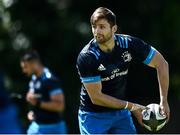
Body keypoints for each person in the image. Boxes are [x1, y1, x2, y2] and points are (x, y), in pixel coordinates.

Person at [76, 7, 170, 134]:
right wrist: (131, 107)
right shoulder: (88, 57)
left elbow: (161, 64)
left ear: (114, 28)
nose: (96, 31)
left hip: (120, 113)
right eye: (94, 26)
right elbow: (96, 97)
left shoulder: (129, 44)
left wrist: (163, 100)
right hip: (93, 116)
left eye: (102, 27)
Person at [20, 50, 67, 134]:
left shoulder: (49, 79)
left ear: (34, 63)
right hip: (36, 126)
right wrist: (33, 112)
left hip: (53, 128)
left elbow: (60, 106)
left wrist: (37, 103)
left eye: (26, 67)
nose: (24, 71)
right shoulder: (34, 78)